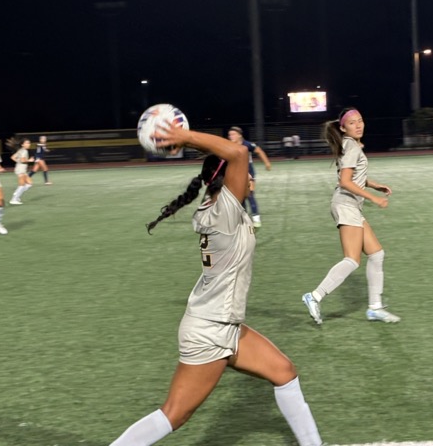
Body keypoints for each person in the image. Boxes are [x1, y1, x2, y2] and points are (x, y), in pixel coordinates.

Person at [108, 126, 324, 446]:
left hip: (224, 323)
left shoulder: (214, 208)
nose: (251, 179)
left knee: (284, 372)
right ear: (228, 181)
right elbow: (238, 153)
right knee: (174, 414)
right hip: (210, 330)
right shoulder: (225, 209)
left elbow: (232, 159)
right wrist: (185, 135)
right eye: (246, 176)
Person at [302, 107, 400, 324]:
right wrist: (373, 199)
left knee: (376, 254)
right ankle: (314, 296)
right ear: (343, 127)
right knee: (352, 260)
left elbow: (354, 176)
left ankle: (375, 307)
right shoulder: (352, 146)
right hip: (346, 204)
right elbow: (344, 182)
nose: (359, 125)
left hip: (350, 205)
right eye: (353, 122)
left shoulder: (350, 145)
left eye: (361, 120)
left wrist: (375, 186)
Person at [227, 126, 272, 228]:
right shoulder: (229, 146)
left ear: (239, 135)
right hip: (236, 175)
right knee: (240, 198)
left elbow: (259, 151)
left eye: (233, 134)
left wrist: (267, 163)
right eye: (230, 135)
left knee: (250, 195)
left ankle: (256, 219)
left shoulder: (247, 145)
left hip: (249, 174)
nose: (231, 136)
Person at [9, 138, 34, 205]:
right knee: (22, 185)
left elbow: (12, 157)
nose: (28, 144)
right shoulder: (24, 151)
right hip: (21, 169)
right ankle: (14, 199)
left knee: (29, 183)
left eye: (29, 143)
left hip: (21, 169)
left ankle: (17, 193)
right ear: (22, 144)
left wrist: (18, 162)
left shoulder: (21, 150)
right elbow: (23, 160)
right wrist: (30, 160)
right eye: (26, 143)